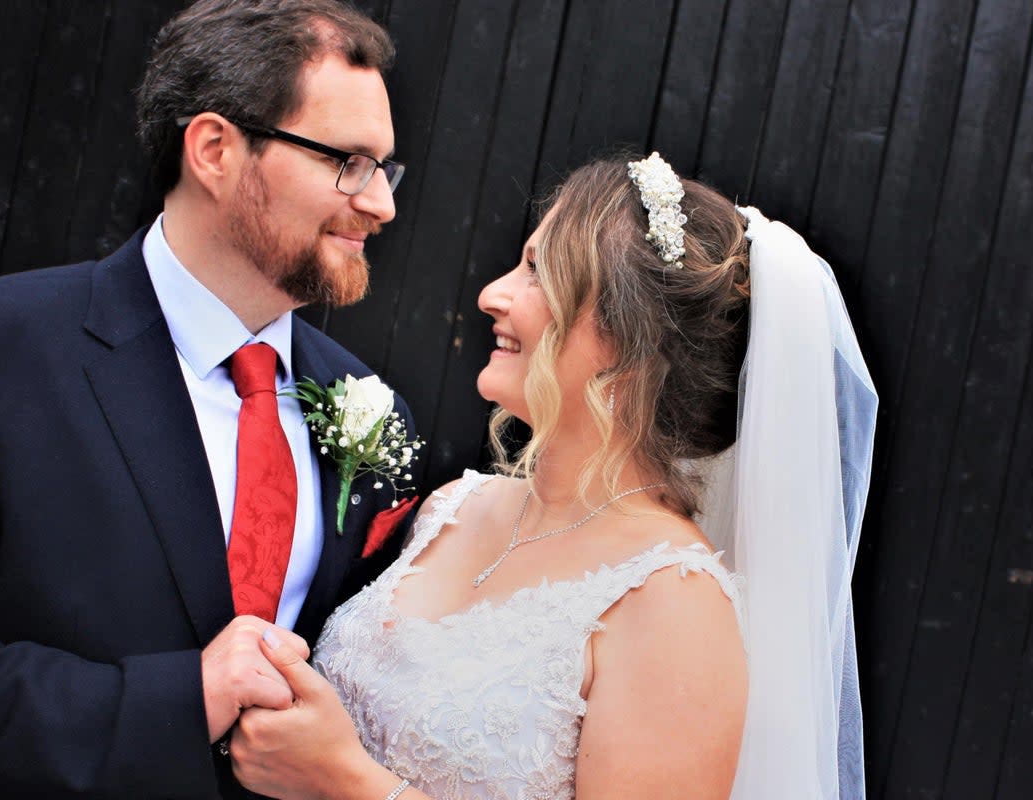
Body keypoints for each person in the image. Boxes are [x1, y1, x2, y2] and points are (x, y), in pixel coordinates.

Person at [0, 1, 417, 798]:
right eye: (347, 162)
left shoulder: (374, 413)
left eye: (385, 169)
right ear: (214, 149)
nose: (380, 203)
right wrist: (180, 703)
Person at [224, 152, 877, 800]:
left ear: (625, 340)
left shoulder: (673, 601)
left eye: (537, 273)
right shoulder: (453, 508)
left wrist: (347, 782)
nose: (491, 295)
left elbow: (341, 769)